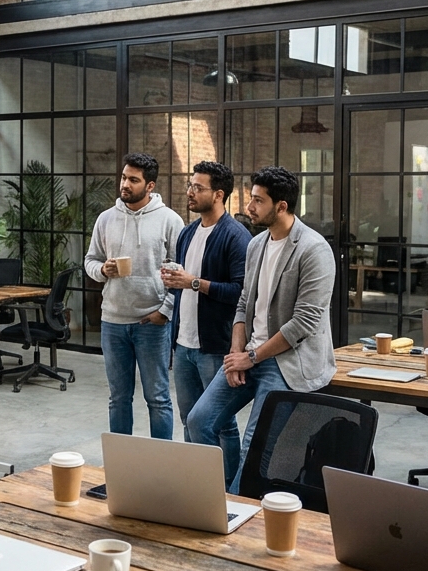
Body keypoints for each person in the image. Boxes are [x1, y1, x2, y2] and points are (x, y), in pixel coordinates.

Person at [186, 166, 336, 488]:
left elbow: (303, 323)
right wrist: (237, 353)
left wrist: (252, 358)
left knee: (254, 444)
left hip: (286, 360)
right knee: (199, 421)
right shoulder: (257, 245)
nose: (249, 207)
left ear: (281, 206)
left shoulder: (314, 249)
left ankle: (235, 514)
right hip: (251, 353)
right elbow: (243, 305)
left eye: (258, 200)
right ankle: (213, 496)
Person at [159, 161, 250, 479]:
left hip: (215, 346)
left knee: (221, 422)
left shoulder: (236, 236)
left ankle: (228, 489)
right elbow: (185, 283)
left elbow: (241, 292)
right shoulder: (187, 233)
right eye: (190, 185)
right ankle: (196, 482)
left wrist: (194, 282)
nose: (190, 192)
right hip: (183, 345)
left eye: (198, 187)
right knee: (190, 419)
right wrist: (174, 281)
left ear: (219, 194)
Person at [85, 153, 184, 440]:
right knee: (118, 398)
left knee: (158, 398)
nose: (125, 184)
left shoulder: (170, 220)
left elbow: (181, 271)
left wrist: (165, 310)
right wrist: (102, 269)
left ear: (150, 185)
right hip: (113, 321)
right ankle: (122, 465)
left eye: (133, 180)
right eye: (124, 177)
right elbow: (90, 260)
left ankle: (160, 464)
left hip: (151, 323)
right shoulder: (106, 219)